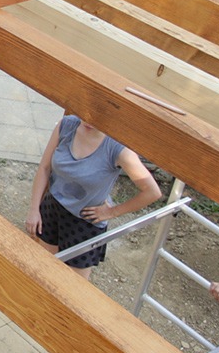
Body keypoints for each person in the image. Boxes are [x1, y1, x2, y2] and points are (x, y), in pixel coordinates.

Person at [26, 113, 162, 281]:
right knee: (43, 270)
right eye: (86, 114)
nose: (89, 122)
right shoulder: (66, 126)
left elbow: (152, 192)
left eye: (99, 120)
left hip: (84, 222)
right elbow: (45, 168)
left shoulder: (118, 149)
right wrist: (34, 209)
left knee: (73, 285)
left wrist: (112, 212)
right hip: (52, 207)